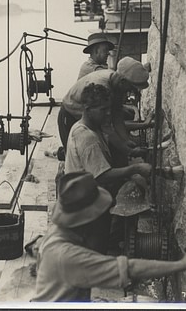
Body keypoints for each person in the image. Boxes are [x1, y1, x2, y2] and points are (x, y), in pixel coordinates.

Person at [32, 171, 186, 302]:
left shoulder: (56, 232)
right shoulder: (67, 257)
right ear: (87, 220)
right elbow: (130, 268)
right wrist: (183, 263)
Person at [64, 83, 151, 253]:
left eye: (109, 108)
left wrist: (129, 150)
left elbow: (113, 134)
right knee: (96, 248)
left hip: (84, 196)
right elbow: (101, 176)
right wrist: (136, 169)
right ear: (88, 109)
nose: (108, 113)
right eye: (103, 109)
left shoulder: (88, 127)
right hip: (86, 206)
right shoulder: (86, 137)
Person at [58, 57, 150, 158]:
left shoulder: (117, 86)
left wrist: (125, 140)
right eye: (131, 87)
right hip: (70, 114)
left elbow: (117, 116)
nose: (130, 91)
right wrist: (127, 150)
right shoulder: (101, 88)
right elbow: (106, 127)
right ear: (123, 81)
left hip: (87, 116)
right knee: (75, 156)